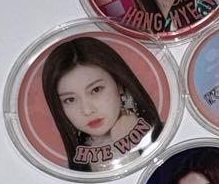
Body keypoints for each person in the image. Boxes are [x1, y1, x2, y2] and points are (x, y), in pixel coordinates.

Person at [41, 36, 163, 172]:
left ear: (119, 85)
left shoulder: (166, 134)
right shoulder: (67, 172)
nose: (87, 110)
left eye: (96, 90)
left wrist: (133, 140)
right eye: (70, 99)